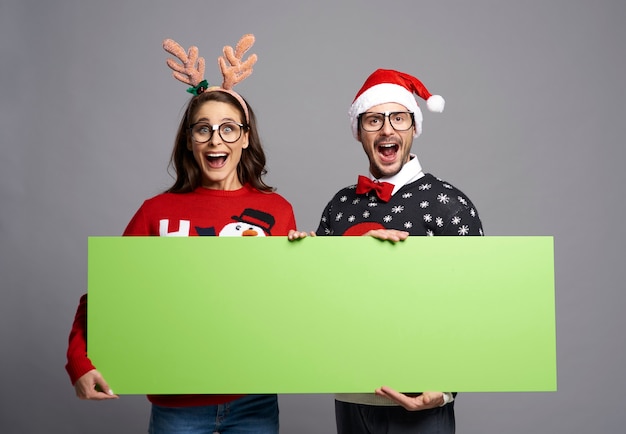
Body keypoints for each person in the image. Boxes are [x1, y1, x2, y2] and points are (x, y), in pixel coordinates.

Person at [65, 35, 296, 434]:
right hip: (177, 405)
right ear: (189, 141)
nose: (215, 140)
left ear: (245, 137)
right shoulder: (157, 212)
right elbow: (107, 293)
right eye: (202, 129)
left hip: (254, 400)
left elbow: (290, 300)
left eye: (228, 129)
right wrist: (80, 363)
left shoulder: (278, 211)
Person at [290, 68, 483, 433]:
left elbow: (475, 299)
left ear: (413, 128)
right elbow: (323, 301)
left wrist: (444, 389)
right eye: (374, 120)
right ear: (359, 132)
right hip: (351, 396)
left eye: (398, 118)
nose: (387, 129)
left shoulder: (449, 204)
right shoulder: (340, 205)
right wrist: (303, 259)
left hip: (421, 400)